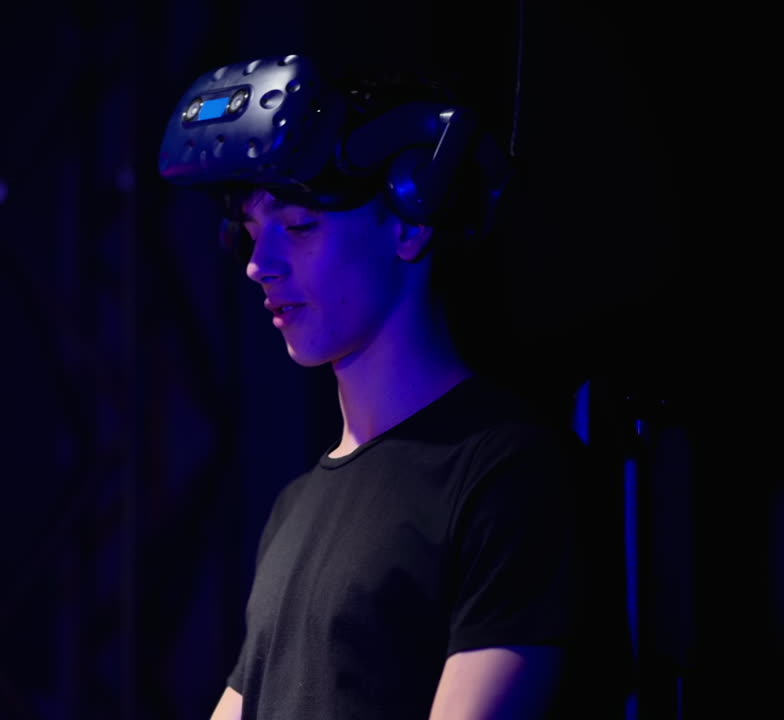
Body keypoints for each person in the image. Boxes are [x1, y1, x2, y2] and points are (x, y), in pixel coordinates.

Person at [158, 56, 630, 719]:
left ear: (409, 221)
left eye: (299, 226)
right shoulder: (295, 508)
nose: (259, 265)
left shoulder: (507, 475)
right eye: (254, 233)